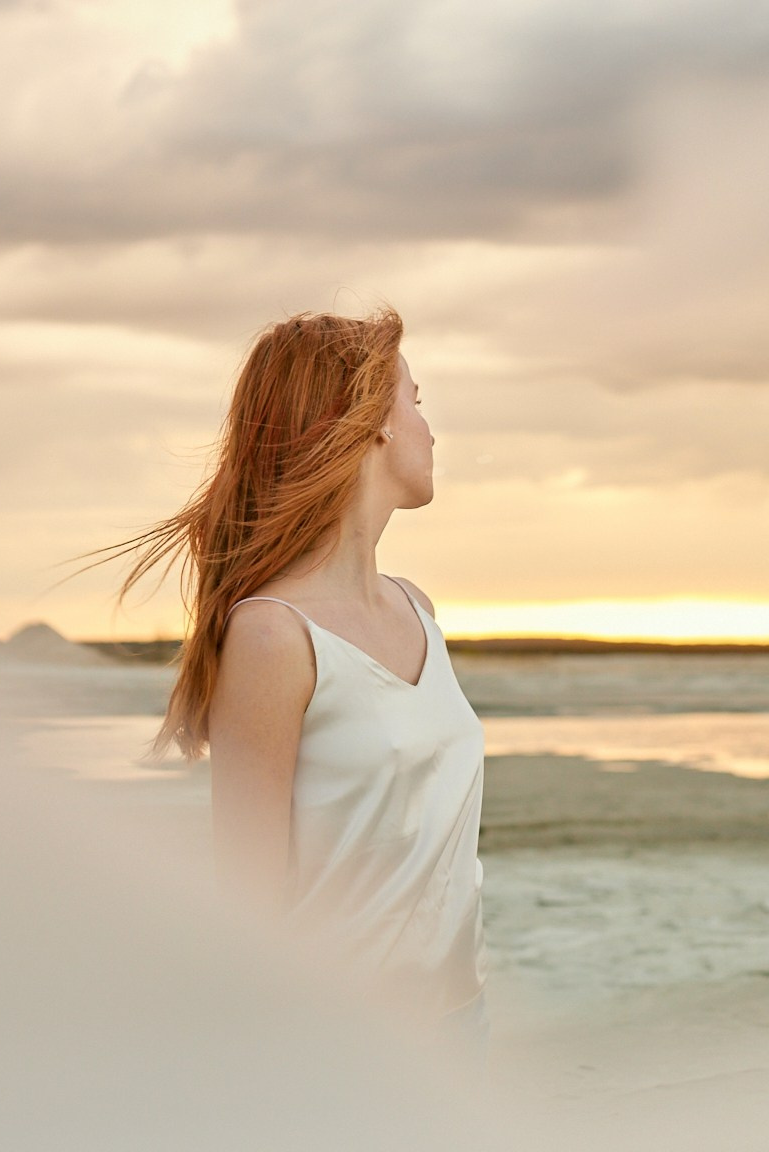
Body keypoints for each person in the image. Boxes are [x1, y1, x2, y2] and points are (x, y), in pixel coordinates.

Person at [82, 307, 489, 1046]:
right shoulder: (273, 635)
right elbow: (249, 900)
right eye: (417, 401)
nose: (431, 428)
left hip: (462, 1024)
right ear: (373, 422)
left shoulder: (418, 609)